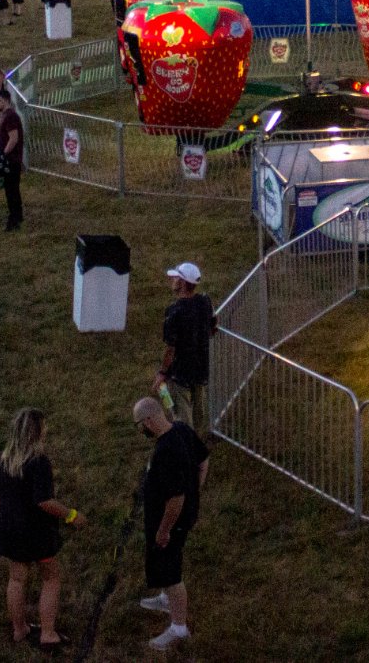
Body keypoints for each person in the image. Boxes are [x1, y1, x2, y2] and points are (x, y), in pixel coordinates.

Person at [0, 408, 84, 648]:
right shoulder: (39, 462)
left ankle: (19, 630)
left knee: (16, 578)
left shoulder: (6, 460)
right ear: (37, 432)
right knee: (51, 578)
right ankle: (48, 634)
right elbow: (44, 501)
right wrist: (71, 515)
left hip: (9, 530)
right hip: (36, 534)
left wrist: (3, 523)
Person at [134, 394, 209, 652]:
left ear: (149, 420)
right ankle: (166, 598)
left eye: (140, 424)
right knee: (166, 566)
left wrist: (164, 530)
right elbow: (203, 459)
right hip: (181, 516)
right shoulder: (182, 429)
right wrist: (195, 489)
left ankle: (178, 627)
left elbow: (175, 499)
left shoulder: (167, 451)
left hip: (171, 523)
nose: (141, 430)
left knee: (171, 570)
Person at [157, 262, 216, 432]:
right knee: (199, 412)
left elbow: (170, 348)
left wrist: (162, 373)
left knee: (181, 416)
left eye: (175, 277)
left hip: (181, 372)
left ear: (182, 283)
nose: (172, 279)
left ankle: (187, 448)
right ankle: (198, 444)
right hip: (200, 369)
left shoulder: (174, 312)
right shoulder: (204, 301)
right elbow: (213, 325)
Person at [0, 89, 25, 229]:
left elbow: (13, 139)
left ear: (7, 101)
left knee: (11, 191)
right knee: (13, 190)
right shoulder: (7, 115)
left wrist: (3, 154)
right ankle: (18, 216)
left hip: (11, 160)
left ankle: (14, 220)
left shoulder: (10, 116)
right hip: (11, 159)